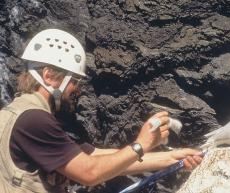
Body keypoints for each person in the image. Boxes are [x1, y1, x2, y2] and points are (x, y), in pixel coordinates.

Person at [0, 29, 203, 193]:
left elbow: (98, 156)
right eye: (74, 80)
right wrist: (141, 144)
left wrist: (173, 158)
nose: (77, 89)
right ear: (49, 76)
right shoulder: (34, 120)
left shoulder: (19, 113)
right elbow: (90, 173)